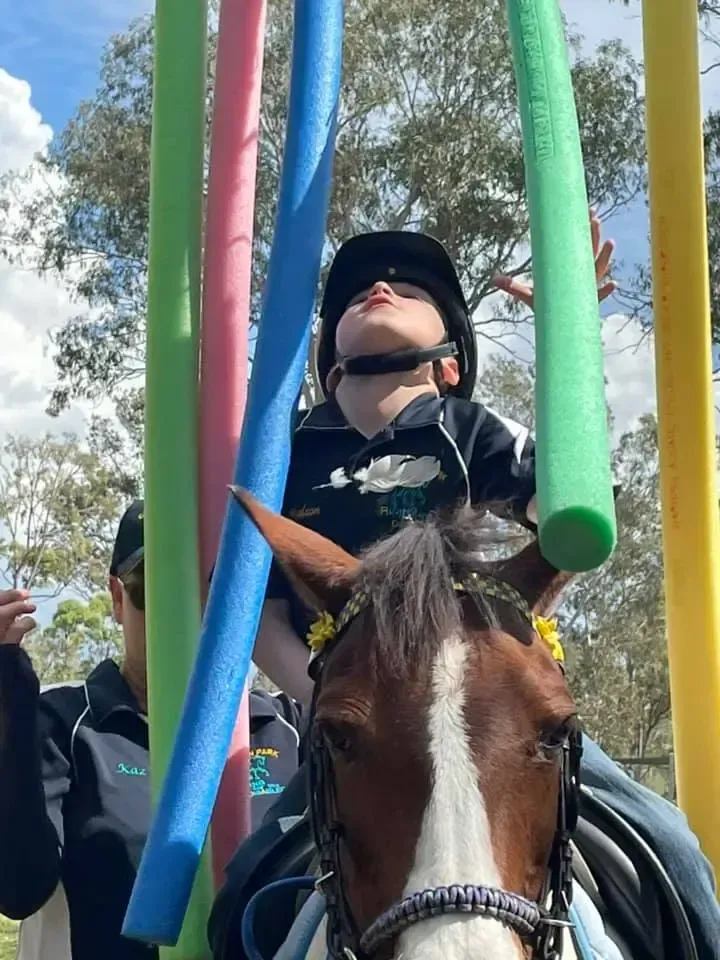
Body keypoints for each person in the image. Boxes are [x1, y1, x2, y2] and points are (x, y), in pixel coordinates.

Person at [216, 220, 720, 957]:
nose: (378, 288)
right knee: (244, 886)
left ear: (448, 361)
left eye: (409, 288)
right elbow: (252, 611)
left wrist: (569, 325)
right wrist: (331, 703)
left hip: (488, 711)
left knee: (672, 844)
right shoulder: (282, 451)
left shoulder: (467, 427)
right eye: (355, 293)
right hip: (358, 718)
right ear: (329, 359)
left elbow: (571, 515)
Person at [0, 501, 302, 960]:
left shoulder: (291, 728)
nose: (183, 610)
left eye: (212, 587)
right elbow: (18, 888)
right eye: (153, 588)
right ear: (118, 599)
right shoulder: (62, 726)